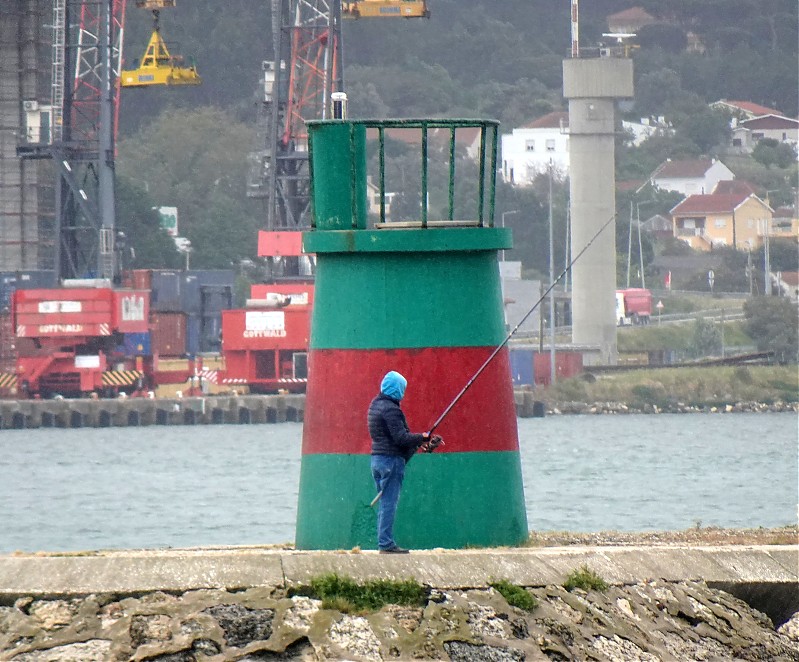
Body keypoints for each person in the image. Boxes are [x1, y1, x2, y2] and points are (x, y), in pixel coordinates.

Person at [367, 370, 442, 554]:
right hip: (391, 461)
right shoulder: (392, 410)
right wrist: (423, 437)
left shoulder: (375, 405)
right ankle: (386, 543)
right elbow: (401, 438)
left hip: (377, 459)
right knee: (389, 503)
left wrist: (419, 441)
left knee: (384, 502)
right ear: (397, 389)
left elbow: (393, 437)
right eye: (403, 388)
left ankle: (383, 540)